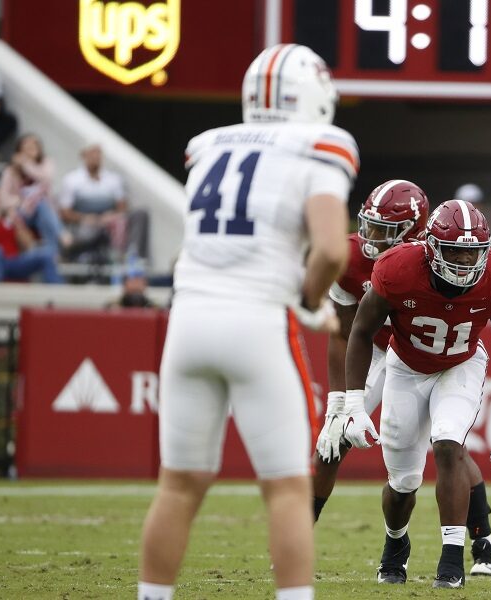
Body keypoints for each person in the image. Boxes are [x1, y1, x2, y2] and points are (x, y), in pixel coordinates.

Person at [137, 44, 355, 600]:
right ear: (308, 94)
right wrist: (307, 301)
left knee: (178, 486)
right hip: (256, 318)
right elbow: (331, 250)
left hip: (187, 321)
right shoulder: (321, 145)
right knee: (285, 489)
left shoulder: (207, 145)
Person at [312, 181, 491, 577]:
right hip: (374, 351)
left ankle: (483, 538)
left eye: (385, 230)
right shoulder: (349, 256)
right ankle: (299, 534)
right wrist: (339, 404)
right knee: (331, 440)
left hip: (420, 351)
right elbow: (345, 333)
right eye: (370, 226)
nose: (371, 239)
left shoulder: (432, 260)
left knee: (449, 443)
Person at [58, 143, 150, 262]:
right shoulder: (72, 179)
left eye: (98, 153)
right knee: (87, 232)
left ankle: (131, 257)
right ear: (83, 155)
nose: (96, 157)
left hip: (109, 222)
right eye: (92, 153)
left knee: (140, 214)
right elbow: (65, 212)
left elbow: (123, 207)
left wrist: (111, 216)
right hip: (84, 223)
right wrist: (84, 218)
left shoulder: (113, 179)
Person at [0, 133, 69, 254]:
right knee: (40, 204)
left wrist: (26, 165)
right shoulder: (10, 171)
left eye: (35, 144)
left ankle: (51, 252)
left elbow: (46, 179)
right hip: (21, 213)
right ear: (19, 150)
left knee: (41, 207)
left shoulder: (47, 163)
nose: (31, 147)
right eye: (27, 145)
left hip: (43, 213)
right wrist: (21, 201)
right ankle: (61, 233)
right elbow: (2, 199)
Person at [0, 183, 62, 283]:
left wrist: (17, 222)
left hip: (13, 262)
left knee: (47, 255)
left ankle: (59, 294)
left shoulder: (8, 217)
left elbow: (28, 245)